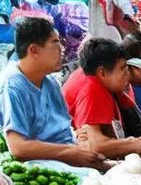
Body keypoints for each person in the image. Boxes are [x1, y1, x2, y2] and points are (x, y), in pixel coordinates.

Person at [0, 17, 104, 167]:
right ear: (33, 50)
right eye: (55, 43)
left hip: (66, 160)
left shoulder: (51, 83)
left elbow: (62, 132)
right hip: (37, 169)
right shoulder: (12, 86)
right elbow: (18, 148)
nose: (61, 49)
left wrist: (77, 140)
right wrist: (69, 152)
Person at [63, 38, 141, 159]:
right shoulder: (91, 88)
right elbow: (96, 146)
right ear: (102, 72)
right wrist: (133, 144)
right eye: (123, 68)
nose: (128, 74)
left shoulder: (96, 77)